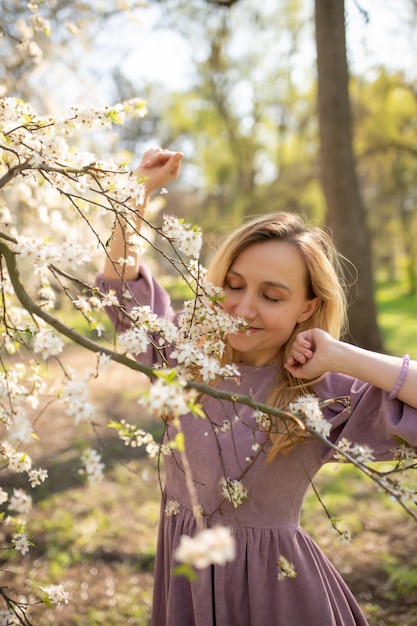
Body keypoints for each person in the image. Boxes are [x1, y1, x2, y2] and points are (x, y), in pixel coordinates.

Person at [96, 147, 417, 626]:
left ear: (308, 307)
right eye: (233, 284)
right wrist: (135, 195)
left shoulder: (322, 390)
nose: (244, 308)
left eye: (271, 296)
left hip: (277, 595)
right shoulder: (189, 354)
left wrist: (342, 355)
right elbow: (125, 296)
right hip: (187, 577)